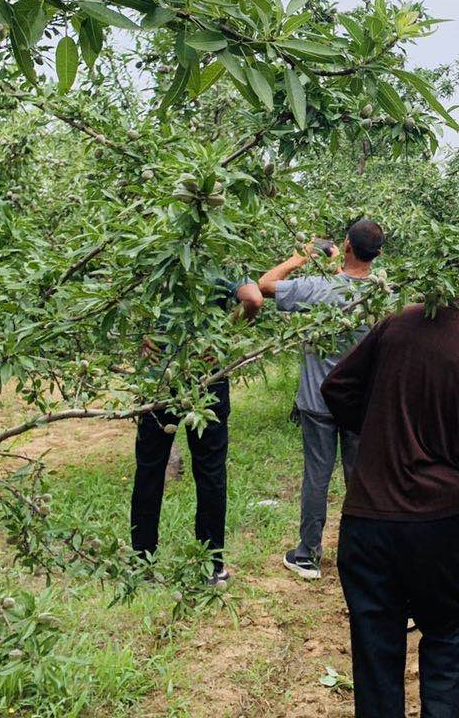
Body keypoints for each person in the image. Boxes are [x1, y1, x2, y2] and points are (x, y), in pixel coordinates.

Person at [322, 260, 459, 718]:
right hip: (438, 520)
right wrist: (452, 461)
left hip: (367, 514)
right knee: (448, 630)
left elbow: (337, 388)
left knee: (374, 641)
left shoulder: (399, 322)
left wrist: (378, 430)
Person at [257, 219, 385, 581]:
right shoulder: (383, 294)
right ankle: (361, 557)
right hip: (361, 403)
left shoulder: (317, 288)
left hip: (317, 401)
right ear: (378, 253)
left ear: (346, 245)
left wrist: (300, 257)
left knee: (317, 476)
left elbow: (264, 285)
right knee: (359, 479)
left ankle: (308, 555)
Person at [129, 277, 261, 587]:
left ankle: (141, 562)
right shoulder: (220, 263)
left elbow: (128, 295)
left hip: (161, 376)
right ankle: (211, 566)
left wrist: (147, 333)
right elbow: (253, 299)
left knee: (149, 470)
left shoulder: (156, 257)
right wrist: (222, 337)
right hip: (207, 379)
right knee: (210, 472)